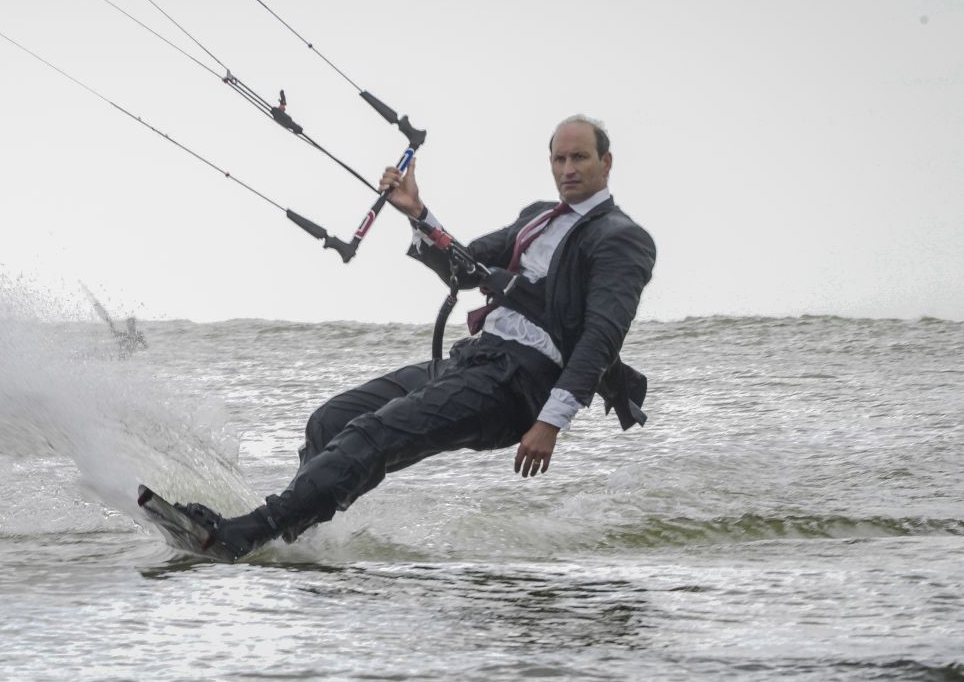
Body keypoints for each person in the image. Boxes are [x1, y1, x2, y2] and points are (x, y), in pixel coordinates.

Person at [178, 114, 657, 558]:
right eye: (560, 158)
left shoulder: (620, 238)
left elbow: (601, 338)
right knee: (330, 421)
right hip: (476, 359)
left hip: (520, 384)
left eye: (580, 158)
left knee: (372, 434)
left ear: (605, 163)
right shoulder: (538, 217)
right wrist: (417, 212)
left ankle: (247, 532)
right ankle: (297, 535)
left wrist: (551, 422)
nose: (568, 168)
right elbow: (463, 266)